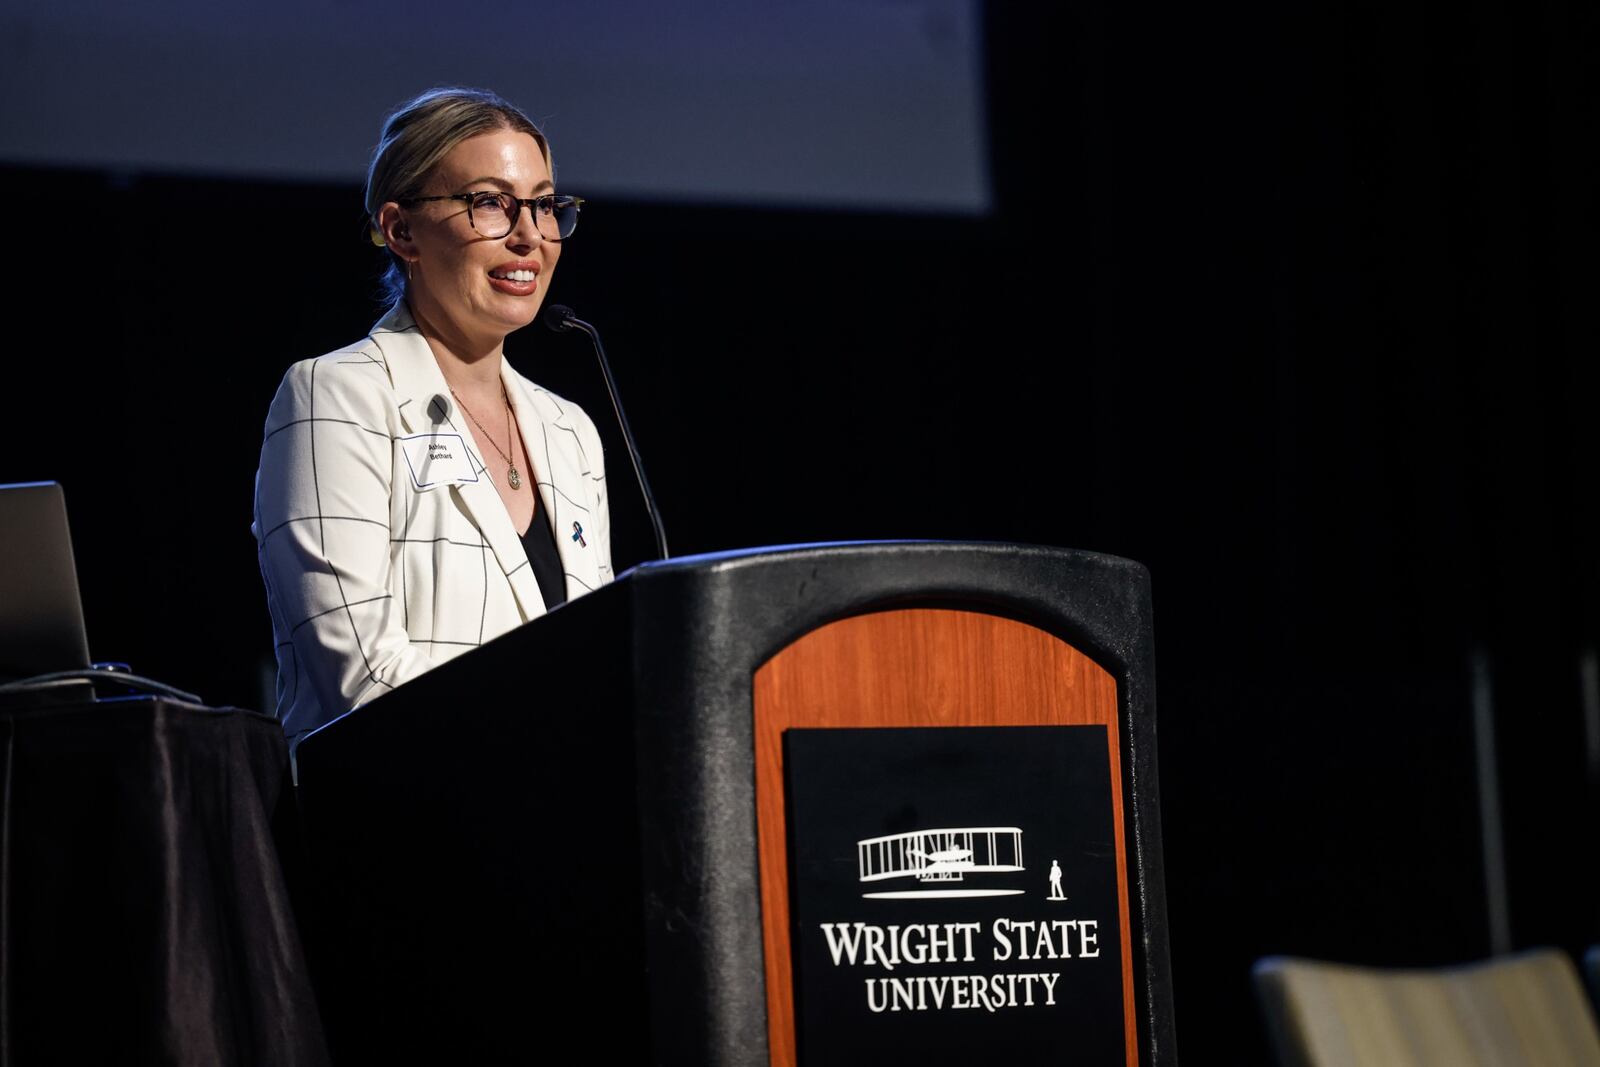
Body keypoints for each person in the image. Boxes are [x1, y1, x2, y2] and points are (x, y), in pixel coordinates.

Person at [252, 87, 612, 748]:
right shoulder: (337, 396)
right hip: (398, 827)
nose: (530, 234)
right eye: (490, 203)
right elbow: (363, 678)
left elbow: (596, 662)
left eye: (543, 203)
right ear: (402, 230)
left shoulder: (571, 431)